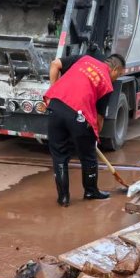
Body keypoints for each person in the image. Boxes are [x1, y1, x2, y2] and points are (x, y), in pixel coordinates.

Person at [44, 53, 125, 207]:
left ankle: (63, 198)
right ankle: (91, 191)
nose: (117, 78)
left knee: (59, 156)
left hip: (56, 107)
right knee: (88, 156)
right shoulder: (107, 83)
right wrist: (95, 136)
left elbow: (55, 64)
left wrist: (53, 90)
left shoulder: (84, 59)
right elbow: (99, 118)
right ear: (115, 69)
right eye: (119, 75)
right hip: (79, 115)